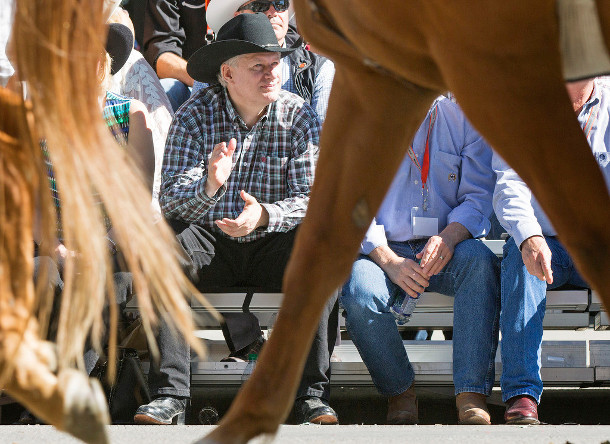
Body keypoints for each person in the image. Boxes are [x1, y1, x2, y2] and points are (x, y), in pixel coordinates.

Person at [133, 13, 339, 426]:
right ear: (226, 73)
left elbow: (312, 201)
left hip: (272, 241)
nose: (271, 73)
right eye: (257, 66)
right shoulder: (193, 116)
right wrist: (210, 185)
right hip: (210, 240)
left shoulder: (298, 115)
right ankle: (170, 394)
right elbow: (171, 201)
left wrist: (264, 215)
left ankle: (310, 395)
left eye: (275, 63)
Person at [341, 96, 501, 425]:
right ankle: (400, 392)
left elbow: (479, 195)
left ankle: (471, 394)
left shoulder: (463, 115)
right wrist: (386, 258)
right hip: (382, 247)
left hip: (448, 243)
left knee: (480, 264)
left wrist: (450, 237)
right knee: (359, 290)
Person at [492, 77, 610, 425]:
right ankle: (522, 394)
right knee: (519, 255)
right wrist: (529, 237)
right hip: (549, 243)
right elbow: (509, 183)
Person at [200, 0, 335, 122]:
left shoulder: (319, 69)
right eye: (260, 5)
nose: (273, 12)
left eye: (281, 4)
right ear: (238, 17)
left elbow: (324, 139)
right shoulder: (209, 70)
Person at [142, 0, 212, 112]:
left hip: (239, 76)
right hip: (191, 83)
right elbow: (161, 56)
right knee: (165, 89)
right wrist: (203, 81)